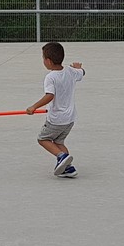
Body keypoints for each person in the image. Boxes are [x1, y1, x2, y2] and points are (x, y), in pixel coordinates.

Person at [27, 41, 84, 177]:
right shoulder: (70, 71)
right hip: (69, 119)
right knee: (58, 142)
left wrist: (34, 107)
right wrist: (79, 68)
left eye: (43, 58)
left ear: (48, 61)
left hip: (56, 119)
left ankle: (61, 156)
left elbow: (50, 96)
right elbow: (82, 73)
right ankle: (68, 168)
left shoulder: (51, 77)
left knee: (43, 139)